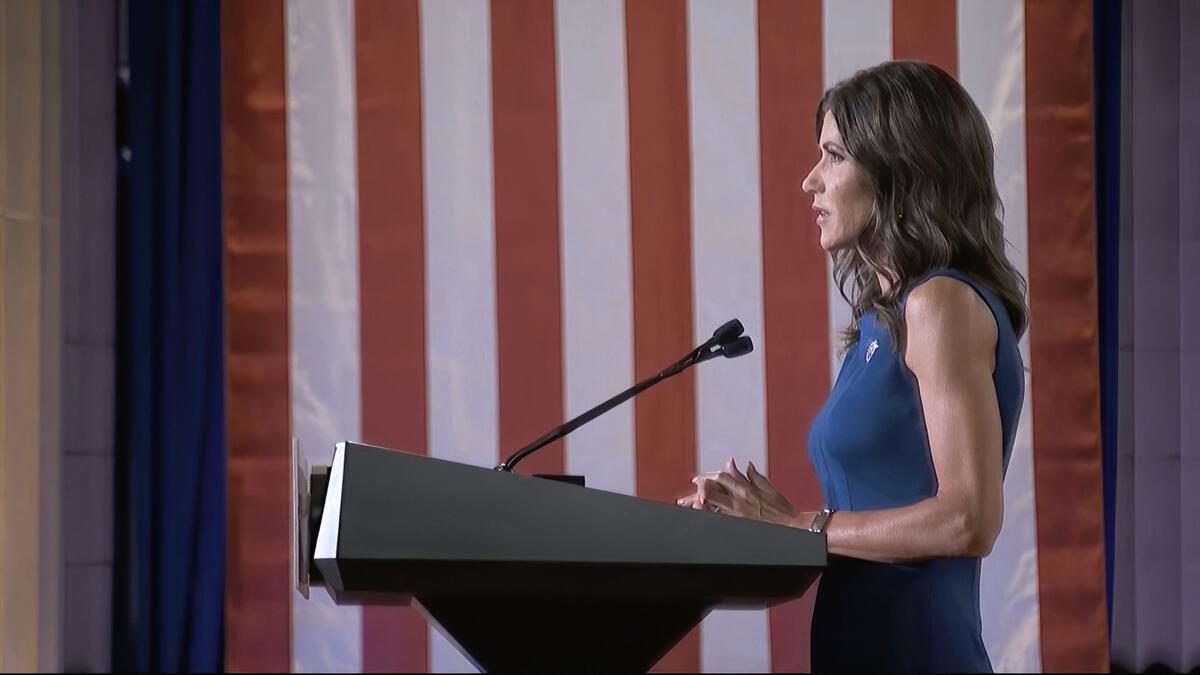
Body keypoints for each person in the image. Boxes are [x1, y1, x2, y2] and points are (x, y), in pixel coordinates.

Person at [677, 60, 1027, 673]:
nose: (810, 182)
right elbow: (861, 514)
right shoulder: (882, 319)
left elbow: (969, 518)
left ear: (901, 169)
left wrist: (798, 525)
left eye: (833, 156)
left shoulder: (939, 303)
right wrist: (765, 523)